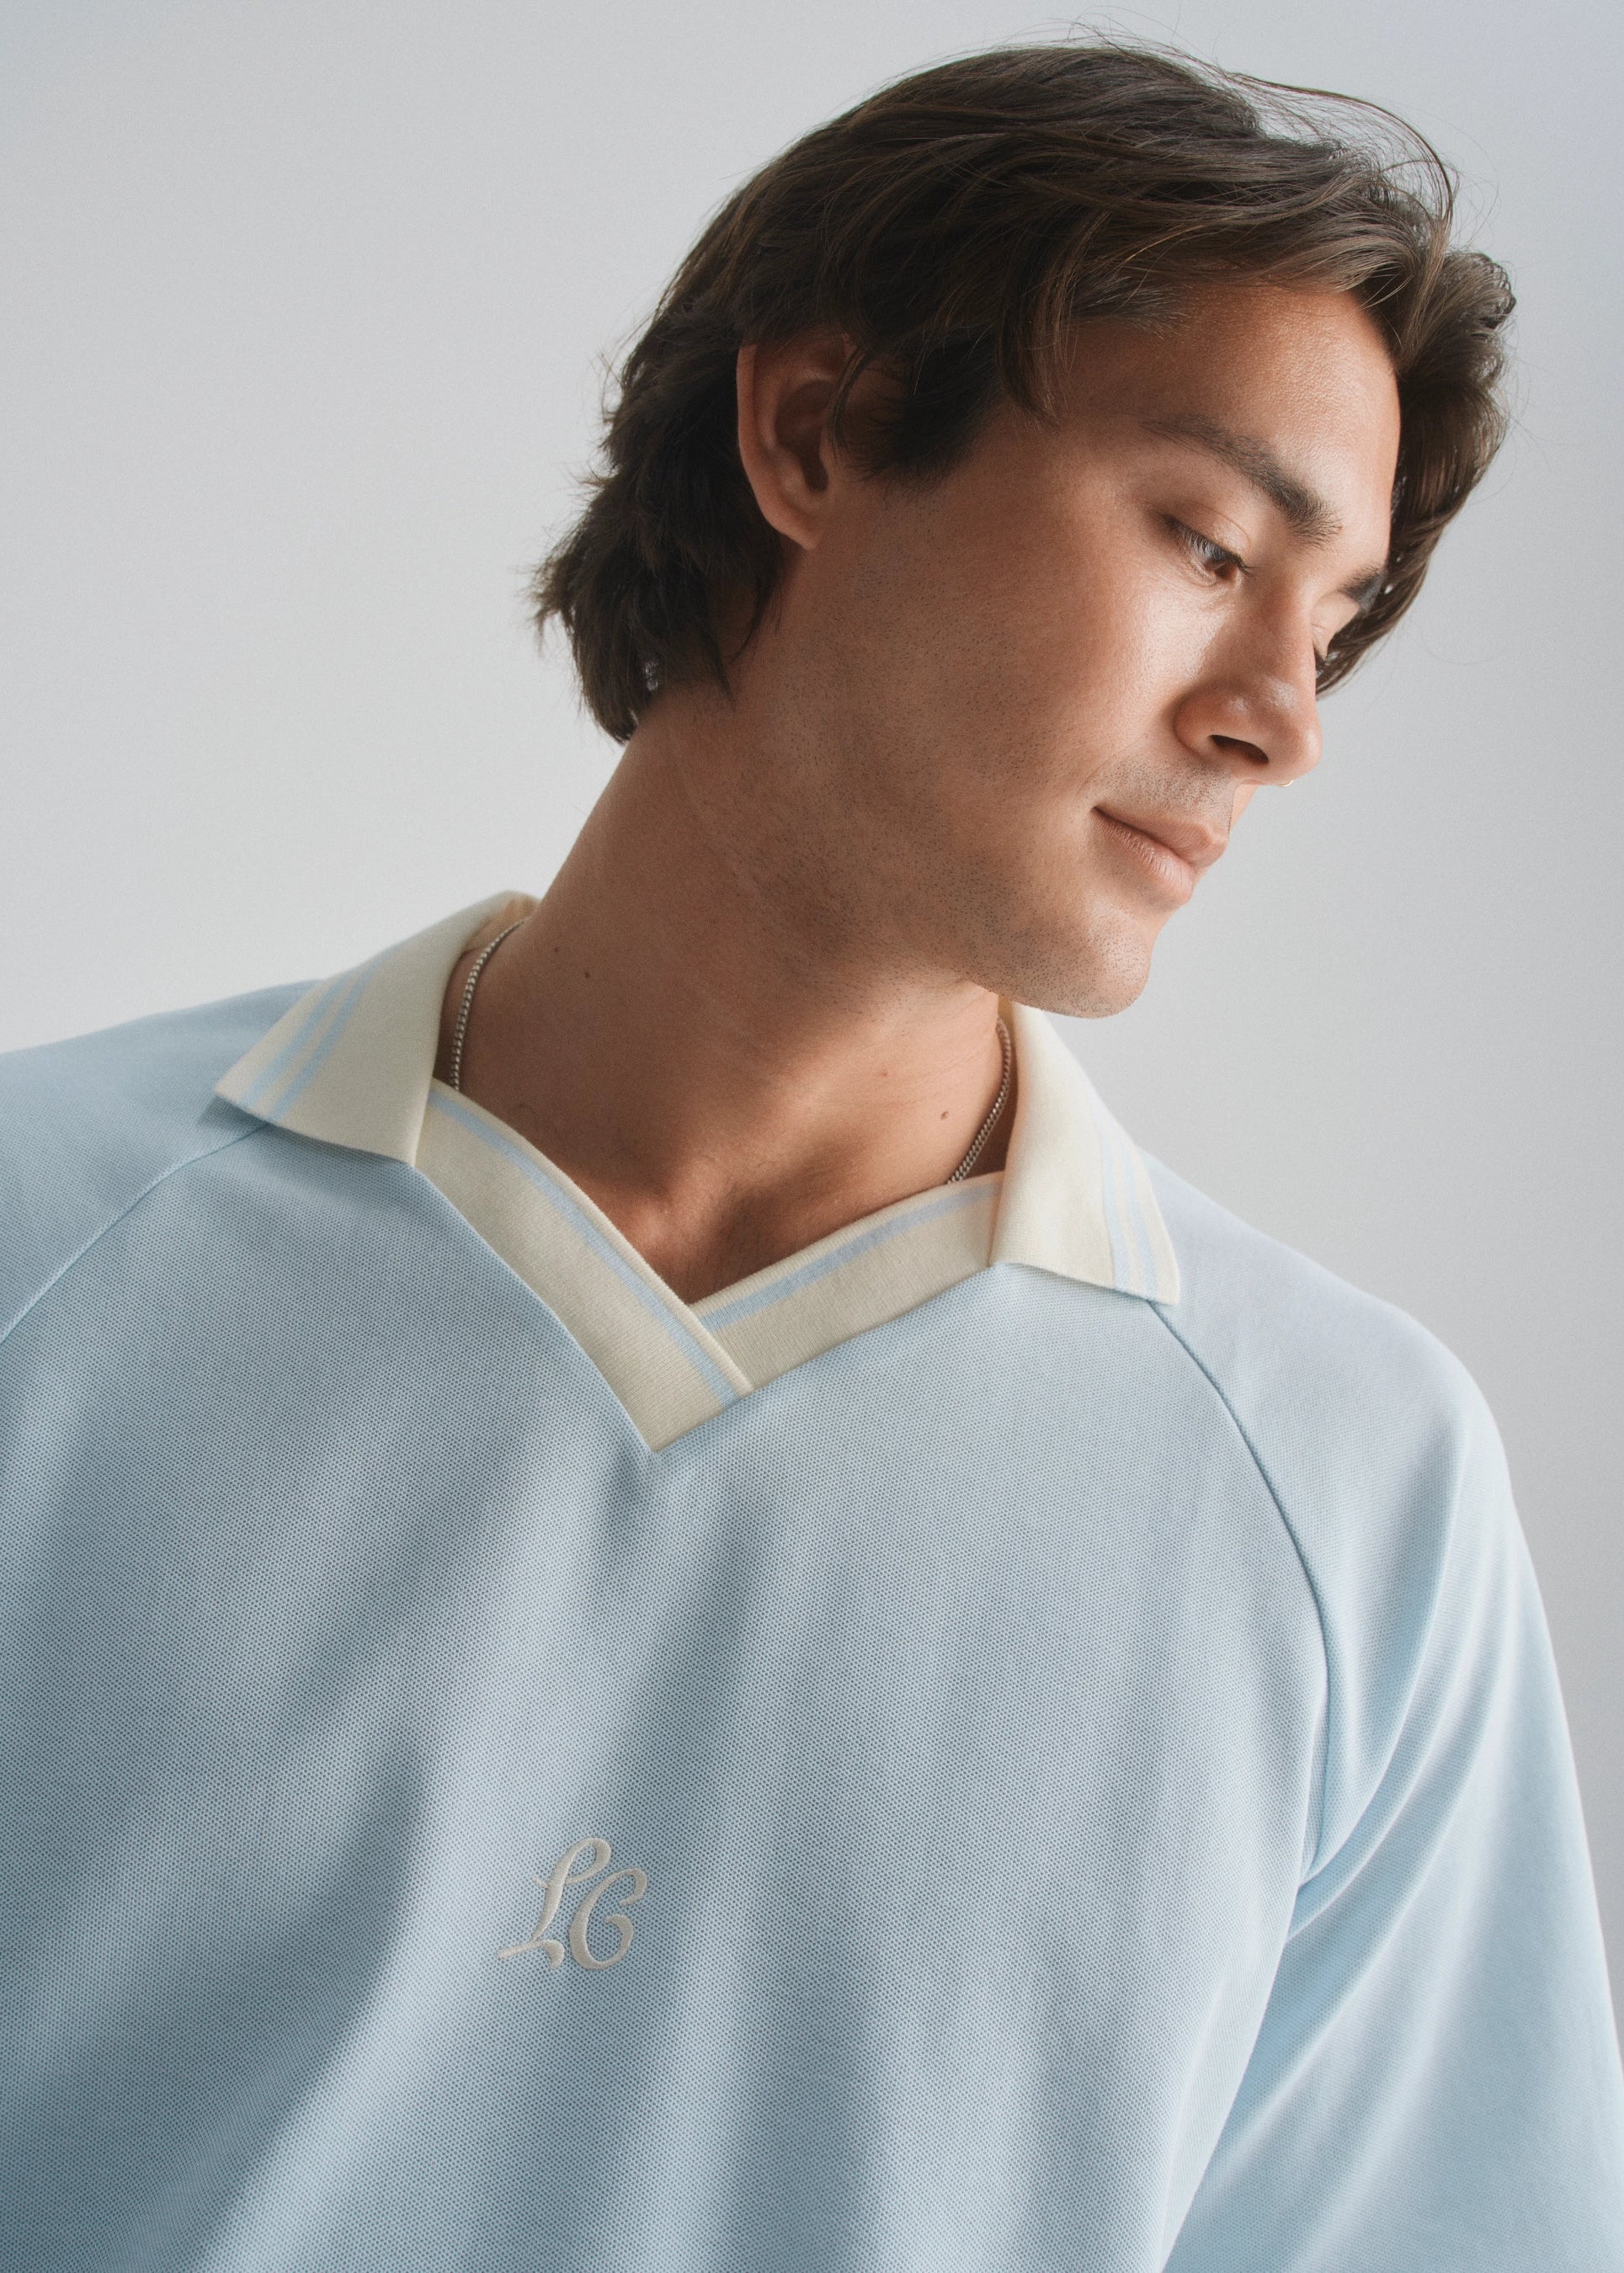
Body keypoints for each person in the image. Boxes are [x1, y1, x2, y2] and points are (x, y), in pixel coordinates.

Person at [1, 38, 1619, 2273]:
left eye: (1326, 626)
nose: (1278, 715)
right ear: (812, 431)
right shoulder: (39, 1243)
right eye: (1206, 541)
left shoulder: (1352, 1495)